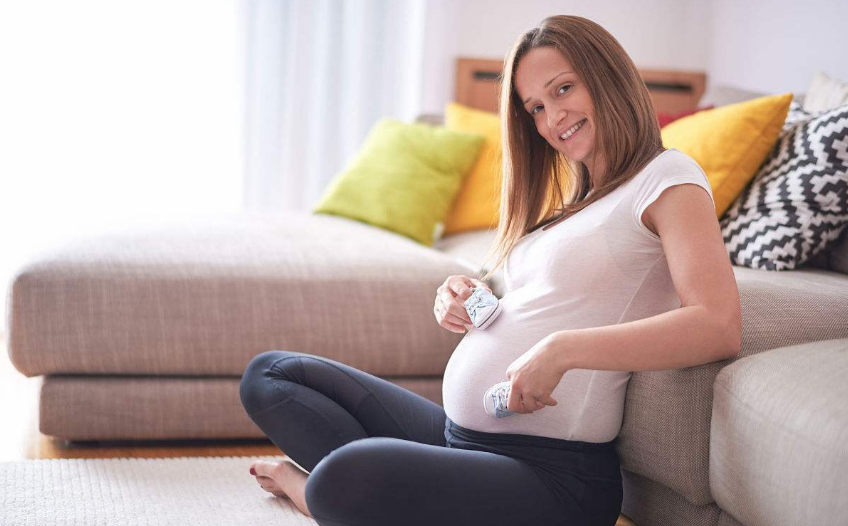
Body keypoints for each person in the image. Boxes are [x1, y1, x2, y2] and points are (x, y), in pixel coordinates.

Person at [238, 14, 742, 526]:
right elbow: (539, 301)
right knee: (269, 376)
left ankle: (311, 489)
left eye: (563, 89)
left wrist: (563, 349)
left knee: (343, 476)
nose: (552, 120)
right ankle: (396, 495)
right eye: (536, 108)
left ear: (608, 76)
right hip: (462, 439)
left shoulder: (667, 177)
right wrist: (463, 294)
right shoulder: (577, 201)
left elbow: (717, 324)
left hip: (552, 476)